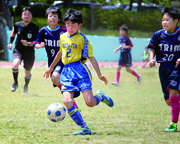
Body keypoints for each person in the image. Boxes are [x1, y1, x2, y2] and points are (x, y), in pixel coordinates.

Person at [43, 9, 114, 135]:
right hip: (66, 72)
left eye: (73, 25)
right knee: (67, 101)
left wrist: (99, 74)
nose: (69, 28)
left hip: (81, 71)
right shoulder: (63, 37)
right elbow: (60, 53)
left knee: (90, 103)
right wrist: (51, 68)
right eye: (67, 24)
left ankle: (101, 97)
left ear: (79, 25)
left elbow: (91, 57)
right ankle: (84, 127)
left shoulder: (83, 39)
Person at [33, 7, 80, 111]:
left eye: (55, 16)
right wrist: (39, 45)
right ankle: (72, 102)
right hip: (52, 61)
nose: (52, 18)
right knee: (58, 81)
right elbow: (35, 43)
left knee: (55, 78)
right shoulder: (43, 31)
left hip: (64, 60)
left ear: (59, 18)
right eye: (50, 16)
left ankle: (72, 99)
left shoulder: (64, 30)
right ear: (47, 18)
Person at [148, 7, 180, 132]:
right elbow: (152, 48)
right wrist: (151, 59)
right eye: (163, 20)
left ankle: (173, 124)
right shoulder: (158, 35)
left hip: (177, 68)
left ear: (176, 21)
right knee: (169, 101)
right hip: (163, 68)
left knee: (173, 95)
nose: (164, 22)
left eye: (167, 20)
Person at [7, 7, 39, 94]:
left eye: (28, 14)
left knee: (27, 71)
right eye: (24, 14)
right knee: (15, 64)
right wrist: (10, 43)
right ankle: (15, 83)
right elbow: (13, 33)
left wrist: (28, 43)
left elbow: (37, 41)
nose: (26, 16)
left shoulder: (35, 28)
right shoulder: (17, 25)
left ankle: (26, 87)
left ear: (31, 16)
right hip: (18, 50)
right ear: (22, 16)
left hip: (29, 52)